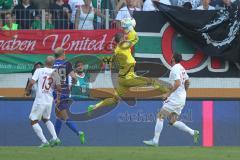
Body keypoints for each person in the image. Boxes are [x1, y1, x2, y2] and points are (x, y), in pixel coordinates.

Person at [87, 18, 170, 112]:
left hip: (122, 79)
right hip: (128, 78)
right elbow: (135, 38)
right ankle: (166, 92)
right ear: (121, 39)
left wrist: (127, 28)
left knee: (115, 99)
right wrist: (130, 27)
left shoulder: (119, 47)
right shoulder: (123, 45)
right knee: (150, 81)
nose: (125, 37)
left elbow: (130, 38)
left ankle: (94, 107)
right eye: (124, 37)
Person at [143, 54, 200, 147]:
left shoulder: (174, 68)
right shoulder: (182, 68)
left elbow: (177, 83)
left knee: (160, 116)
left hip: (175, 98)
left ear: (173, 58)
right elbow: (187, 81)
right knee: (172, 121)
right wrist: (184, 92)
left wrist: (167, 94)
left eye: (171, 57)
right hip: (181, 98)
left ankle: (155, 141)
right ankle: (193, 132)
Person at [25, 56, 61, 148]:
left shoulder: (39, 70)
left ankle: (44, 141)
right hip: (49, 100)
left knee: (33, 121)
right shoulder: (55, 72)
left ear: (45, 62)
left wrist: (27, 90)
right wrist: (58, 98)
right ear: (53, 64)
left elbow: (32, 82)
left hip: (40, 100)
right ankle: (55, 137)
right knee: (46, 119)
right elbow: (59, 88)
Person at [53, 47, 85, 144]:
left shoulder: (52, 64)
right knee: (59, 116)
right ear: (62, 54)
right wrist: (72, 83)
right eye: (65, 52)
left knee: (64, 116)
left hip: (57, 92)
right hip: (65, 92)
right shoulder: (67, 64)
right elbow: (74, 78)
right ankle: (55, 139)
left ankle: (78, 132)